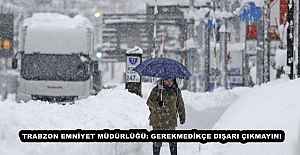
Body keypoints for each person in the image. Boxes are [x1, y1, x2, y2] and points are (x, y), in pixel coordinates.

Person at [146, 79, 186, 155]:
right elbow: (149, 102)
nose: (169, 82)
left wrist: (182, 116)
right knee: (157, 142)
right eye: (167, 80)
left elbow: (180, 104)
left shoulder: (176, 91)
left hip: (171, 121)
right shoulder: (157, 90)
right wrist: (158, 105)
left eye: (171, 80)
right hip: (158, 121)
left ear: (174, 80)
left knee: (172, 141)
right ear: (163, 80)